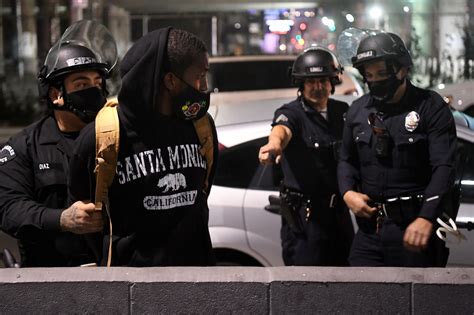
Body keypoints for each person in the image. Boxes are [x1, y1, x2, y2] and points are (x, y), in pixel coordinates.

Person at [68, 28, 218, 267]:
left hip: (197, 282)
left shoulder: (201, 126)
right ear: (170, 80)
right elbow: (86, 217)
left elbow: (203, 192)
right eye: (199, 76)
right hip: (130, 290)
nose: (204, 86)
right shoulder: (104, 136)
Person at [0, 20, 116, 267]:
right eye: (82, 84)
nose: (94, 91)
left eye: (98, 83)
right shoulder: (25, 147)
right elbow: (9, 208)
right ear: (56, 95)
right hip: (48, 278)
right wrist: (62, 219)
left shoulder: (114, 137)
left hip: (110, 273)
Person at [338, 31, 457, 267]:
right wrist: (347, 192)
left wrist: (426, 217)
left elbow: (445, 166)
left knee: (416, 302)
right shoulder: (358, 111)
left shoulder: (430, 108)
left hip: (415, 229)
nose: (375, 81)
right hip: (370, 232)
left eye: (382, 73)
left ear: (402, 69)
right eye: (369, 75)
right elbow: (346, 160)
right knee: (360, 298)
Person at [258, 47, 354, 266]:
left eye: (323, 80)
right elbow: (281, 130)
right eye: (311, 81)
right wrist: (273, 146)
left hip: (339, 216)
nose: (318, 87)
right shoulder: (292, 113)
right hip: (306, 222)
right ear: (301, 84)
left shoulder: (342, 111)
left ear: (333, 82)